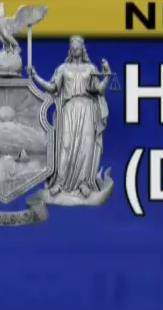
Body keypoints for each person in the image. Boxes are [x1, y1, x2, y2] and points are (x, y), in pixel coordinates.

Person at [31, 36, 112, 204]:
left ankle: (84, 183)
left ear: (83, 48)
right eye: (72, 45)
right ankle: (59, 183)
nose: (75, 47)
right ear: (70, 48)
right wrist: (36, 76)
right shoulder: (63, 68)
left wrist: (107, 75)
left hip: (87, 108)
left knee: (86, 146)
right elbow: (53, 87)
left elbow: (99, 90)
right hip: (69, 108)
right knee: (65, 145)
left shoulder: (91, 68)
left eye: (78, 45)